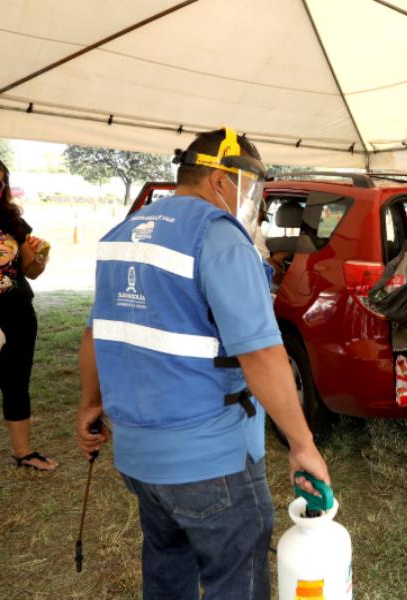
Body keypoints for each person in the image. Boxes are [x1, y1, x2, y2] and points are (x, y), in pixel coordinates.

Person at [75, 128, 330, 599]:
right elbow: (261, 353)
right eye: (249, 187)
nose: (248, 200)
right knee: (236, 579)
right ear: (219, 179)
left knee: (168, 566)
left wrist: (89, 404)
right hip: (212, 463)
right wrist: (302, 443)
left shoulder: (121, 234)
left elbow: (95, 333)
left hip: (139, 460)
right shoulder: (218, 236)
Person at [0, 155, 56, 471]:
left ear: (3, 187)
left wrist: (40, 255)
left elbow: (31, 271)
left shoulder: (13, 223)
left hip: (16, 314)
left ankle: (22, 452)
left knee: (16, 383)